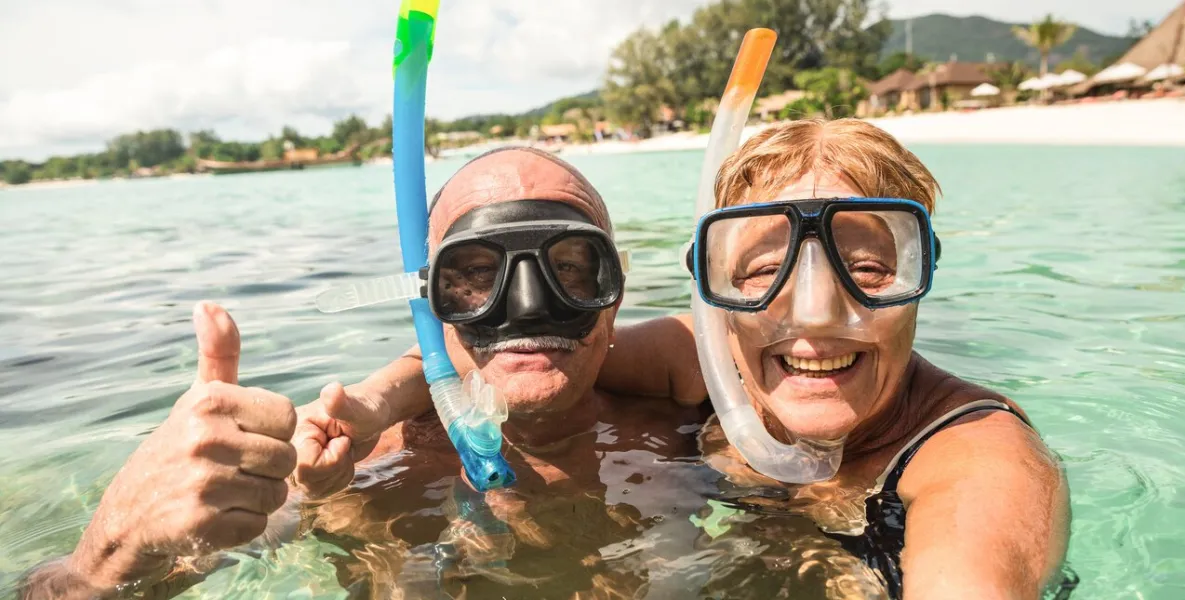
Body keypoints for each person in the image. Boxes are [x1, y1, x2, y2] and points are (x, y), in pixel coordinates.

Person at [17, 147, 727, 600]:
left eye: (572, 270)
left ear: (615, 296)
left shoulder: (697, 422)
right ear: (430, 302)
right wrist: (109, 556)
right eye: (475, 276)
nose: (530, 306)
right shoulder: (358, 467)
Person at [596, 117, 1076, 600]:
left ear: (921, 270)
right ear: (715, 289)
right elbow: (546, 373)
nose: (815, 314)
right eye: (766, 270)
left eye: (866, 269)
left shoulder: (980, 456)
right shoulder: (701, 356)